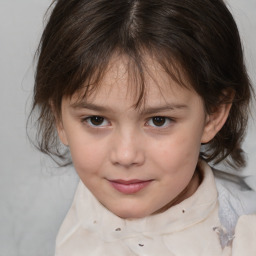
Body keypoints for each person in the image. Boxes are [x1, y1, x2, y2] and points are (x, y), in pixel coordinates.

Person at [30, 0, 256, 255]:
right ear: (59, 118)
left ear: (213, 114)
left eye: (159, 120)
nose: (125, 156)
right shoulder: (82, 213)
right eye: (96, 120)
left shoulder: (245, 238)